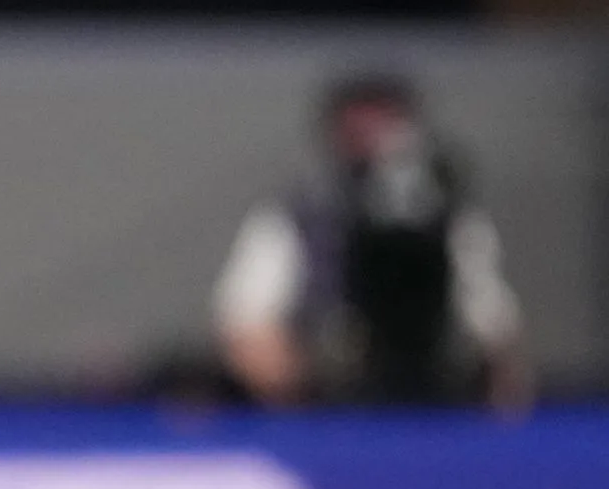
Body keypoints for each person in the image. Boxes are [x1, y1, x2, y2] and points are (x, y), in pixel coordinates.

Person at [215, 74, 531, 410]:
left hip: (436, 396)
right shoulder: (294, 220)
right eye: (358, 132)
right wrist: (296, 394)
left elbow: (492, 323)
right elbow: (246, 324)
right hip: (328, 399)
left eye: (384, 128)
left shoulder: (451, 221)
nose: (372, 143)